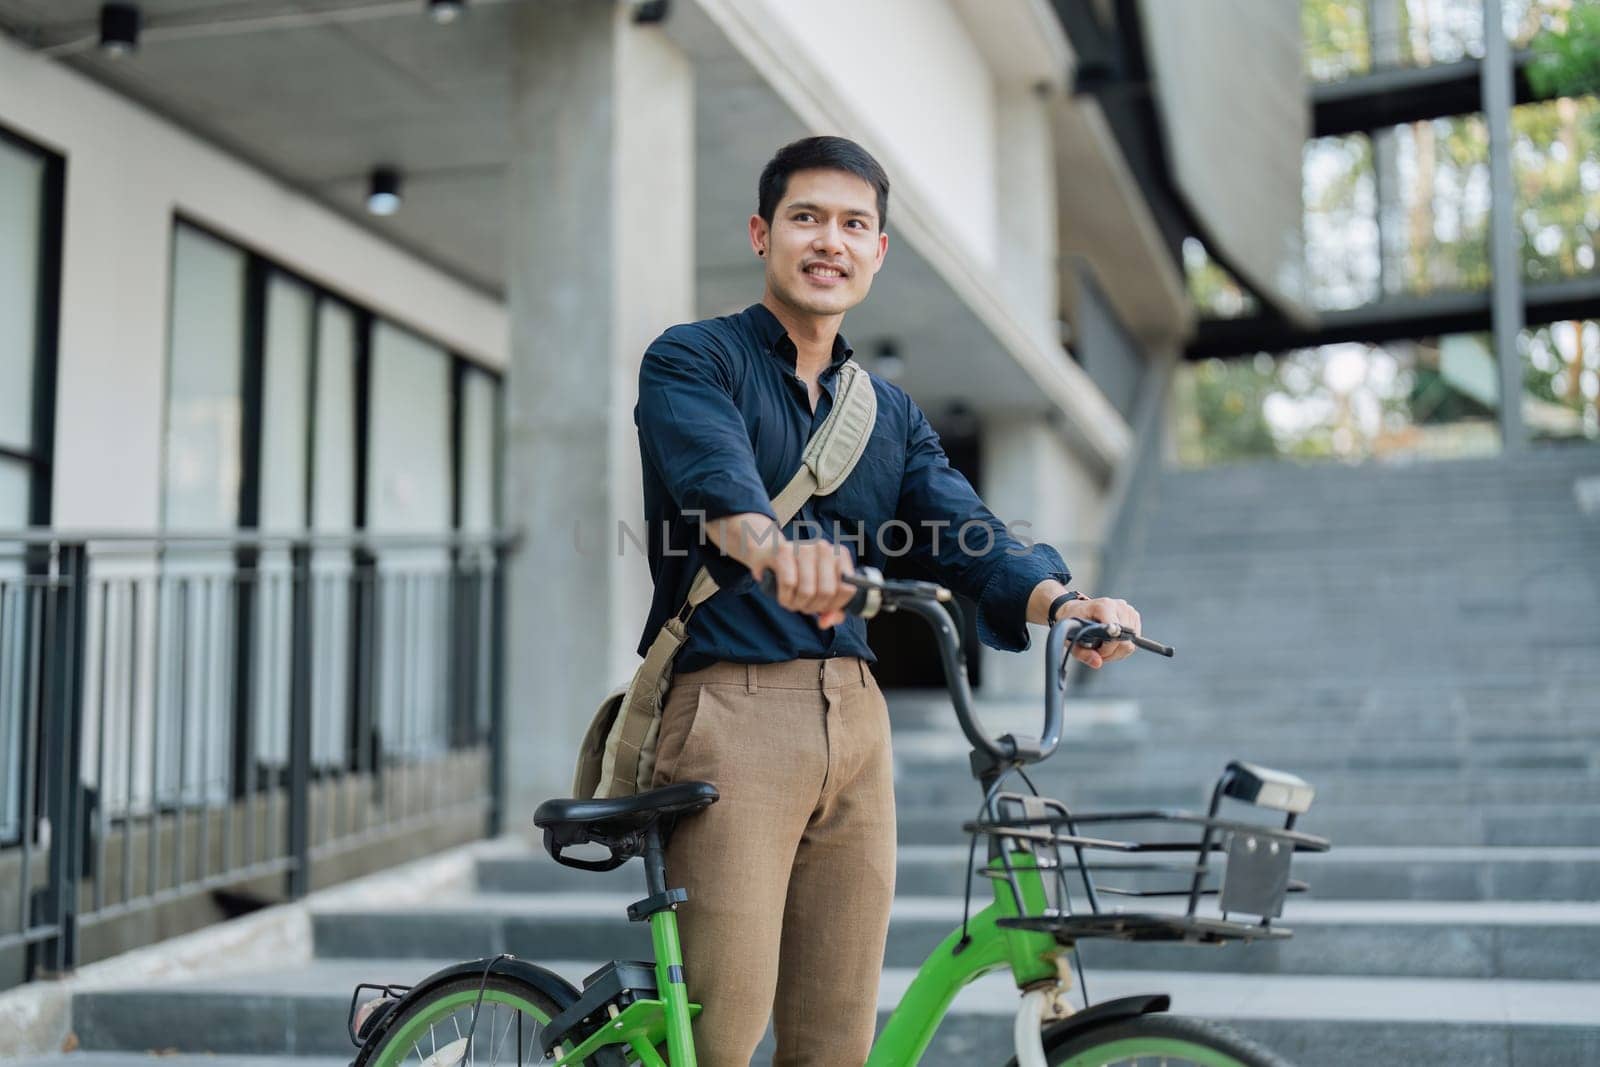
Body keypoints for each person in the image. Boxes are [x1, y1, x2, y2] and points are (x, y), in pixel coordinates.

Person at [633, 135, 1141, 1066]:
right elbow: (717, 481)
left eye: (853, 224)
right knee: (718, 1032)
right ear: (762, 233)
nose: (830, 240)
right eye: (807, 218)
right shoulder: (693, 360)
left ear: (878, 250)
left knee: (837, 1038)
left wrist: (1063, 602)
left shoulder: (890, 415)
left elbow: (965, 531)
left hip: (858, 727)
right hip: (734, 710)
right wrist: (777, 553)